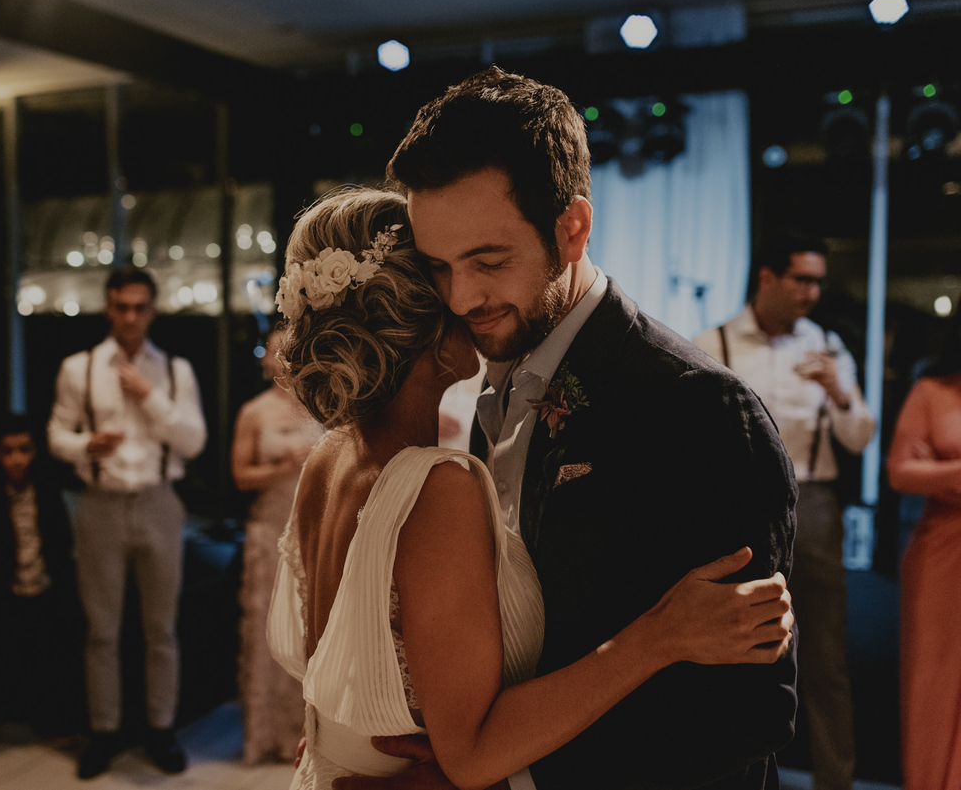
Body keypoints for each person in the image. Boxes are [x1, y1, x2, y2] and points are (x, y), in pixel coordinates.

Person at [343, 66, 800, 790]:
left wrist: (509, 769)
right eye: (440, 267)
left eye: (488, 261)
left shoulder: (699, 411)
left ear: (573, 228)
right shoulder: (490, 383)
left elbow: (745, 717)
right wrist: (478, 745)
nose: (462, 297)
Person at [694, 233, 874, 790]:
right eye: (801, 279)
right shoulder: (713, 343)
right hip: (739, 509)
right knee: (737, 647)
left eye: (818, 281)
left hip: (815, 504)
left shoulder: (829, 347)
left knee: (825, 656)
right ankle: (734, 774)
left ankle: (834, 781)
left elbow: (861, 436)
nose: (811, 292)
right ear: (767, 278)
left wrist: (839, 392)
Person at [48, 266, 207, 779]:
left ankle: (161, 729)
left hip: (160, 501)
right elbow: (55, 434)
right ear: (108, 308)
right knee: (102, 629)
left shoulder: (176, 371)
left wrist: (148, 395)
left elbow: (194, 441)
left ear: (153, 311)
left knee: (161, 628)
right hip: (100, 503)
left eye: (140, 307)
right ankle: (104, 731)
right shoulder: (79, 368)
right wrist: (83, 445)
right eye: (122, 306)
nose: (131, 316)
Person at [231, 328, 323, 765]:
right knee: (270, 630)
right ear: (266, 360)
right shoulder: (253, 412)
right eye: (276, 352)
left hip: (317, 529)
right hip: (270, 529)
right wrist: (284, 466)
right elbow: (240, 476)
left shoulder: (324, 405)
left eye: (291, 351)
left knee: (311, 631)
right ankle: (265, 735)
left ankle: (305, 735)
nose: (283, 359)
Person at [0, 414, 85, 747]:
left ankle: (47, 717)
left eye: (24, 450)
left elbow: (61, 542)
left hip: (43, 584)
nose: (17, 459)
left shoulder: (46, 488)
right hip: (2, 587)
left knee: (47, 656)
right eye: (8, 451)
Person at [887, 301, 961, 790]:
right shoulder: (933, 390)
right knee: (934, 681)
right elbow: (899, 471)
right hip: (944, 552)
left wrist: (943, 471)